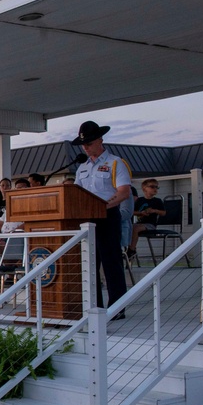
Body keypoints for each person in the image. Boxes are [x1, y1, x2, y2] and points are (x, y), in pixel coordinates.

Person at [73, 120, 131, 316]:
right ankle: (94, 307)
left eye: (89, 143)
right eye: (84, 144)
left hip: (107, 216)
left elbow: (123, 192)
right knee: (89, 263)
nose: (86, 148)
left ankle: (117, 307)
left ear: (100, 140)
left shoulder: (115, 162)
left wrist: (102, 207)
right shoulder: (82, 167)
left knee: (111, 261)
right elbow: (75, 194)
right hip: (85, 219)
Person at [127, 179, 166, 259]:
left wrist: (154, 210)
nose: (155, 189)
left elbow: (163, 213)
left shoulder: (157, 201)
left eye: (156, 187)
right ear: (144, 188)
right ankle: (129, 248)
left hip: (150, 225)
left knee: (135, 228)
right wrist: (141, 213)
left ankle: (131, 250)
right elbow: (132, 212)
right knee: (128, 227)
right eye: (152, 187)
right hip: (140, 223)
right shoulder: (139, 200)